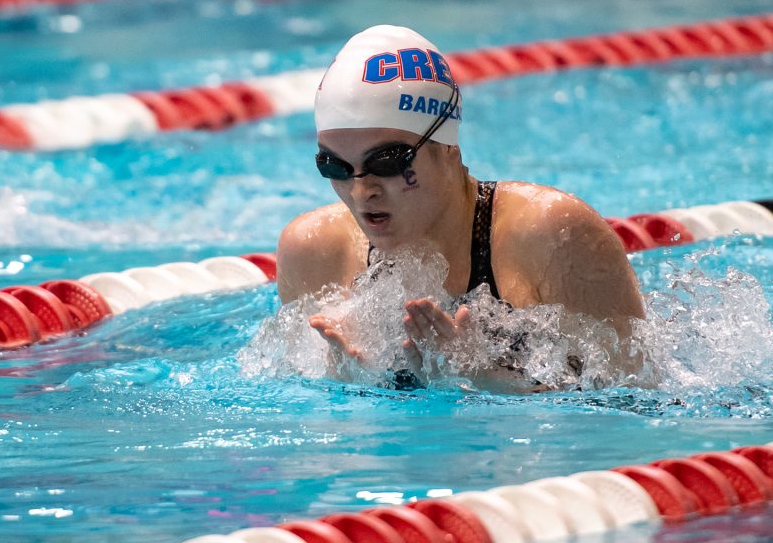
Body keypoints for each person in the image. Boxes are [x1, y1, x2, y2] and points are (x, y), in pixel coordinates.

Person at [276, 25, 645, 387]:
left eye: (387, 162)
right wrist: (340, 389)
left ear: (448, 149)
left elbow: (638, 395)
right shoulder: (314, 252)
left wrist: (494, 385)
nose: (361, 191)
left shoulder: (551, 236)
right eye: (335, 166)